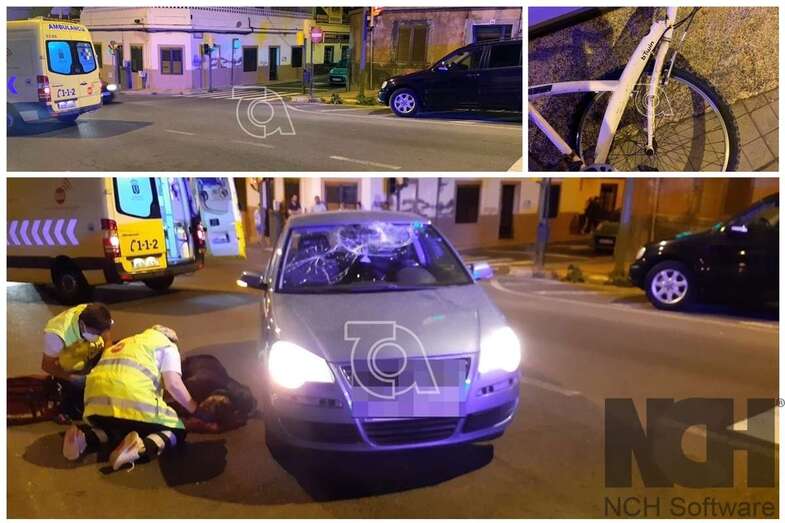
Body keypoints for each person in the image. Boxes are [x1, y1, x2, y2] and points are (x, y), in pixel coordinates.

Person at [62, 325, 200, 471]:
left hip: (94, 405)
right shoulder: (167, 346)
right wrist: (195, 408)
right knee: (177, 428)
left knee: (117, 427)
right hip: (131, 400)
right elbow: (173, 385)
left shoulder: (126, 343)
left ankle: (84, 437)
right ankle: (140, 448)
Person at [42, 303, 113, 421]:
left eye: (100, 333)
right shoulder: (56, 336)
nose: (99, 335)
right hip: (70, 369)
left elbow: (108, 339)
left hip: (91, 355)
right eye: (95, 333)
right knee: (79, 402)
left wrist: (104, 363)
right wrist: (73, 378)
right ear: (82, 325)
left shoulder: (98, 318)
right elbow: (47, 366)